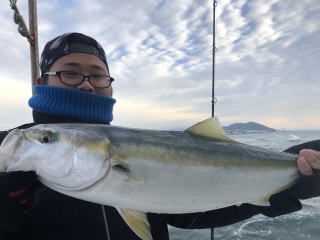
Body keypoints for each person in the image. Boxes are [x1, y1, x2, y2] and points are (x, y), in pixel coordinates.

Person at [0, 32, 319, 240]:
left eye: (97, 74)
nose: (86, 83)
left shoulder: (134, 141)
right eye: (70, 72)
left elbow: (191, 214)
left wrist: (290, 182)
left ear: (110, 83)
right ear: (43, 79)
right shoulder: (9, 145)